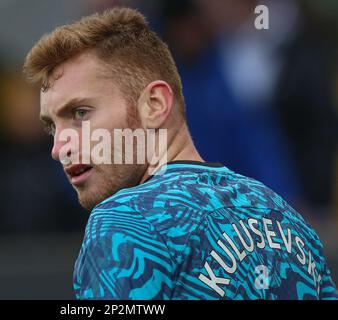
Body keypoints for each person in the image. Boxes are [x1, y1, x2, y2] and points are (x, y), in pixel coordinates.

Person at [23, 7, 338, 299]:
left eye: (80, 113)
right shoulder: (286, 217)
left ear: (156, 105)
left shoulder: (125, 222)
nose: (58, 148)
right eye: (52, 127)